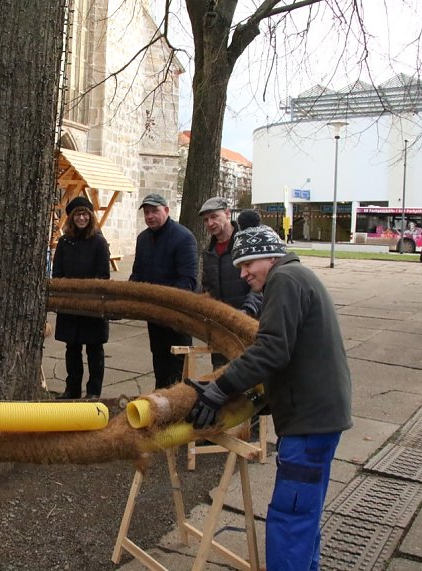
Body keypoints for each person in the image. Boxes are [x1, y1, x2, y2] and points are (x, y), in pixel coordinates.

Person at [185, 225, 352, 571]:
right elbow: (290, 352)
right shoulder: (297, 276)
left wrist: (219, 389)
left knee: (290, 517)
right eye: (239, 267)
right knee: (304, 513)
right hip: (320, 416)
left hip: (308, 423)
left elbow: (273, 349)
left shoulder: (285, 280)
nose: (244, 274)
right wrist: (258, 397)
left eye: (248, 264)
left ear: (271, 256)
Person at [129, 192, 198, 389]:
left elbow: (188, 281)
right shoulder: (143, 239)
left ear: (166, 210)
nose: (150, 216)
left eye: (154, 211)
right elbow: (137, 274)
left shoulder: (184, 237)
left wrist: (165, 303)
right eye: (147, 212)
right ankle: (159, 398)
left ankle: (175, 403)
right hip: (155, 316)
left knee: (177, 367)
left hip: (178, 315)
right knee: (159, 360)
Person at [52, 196, 111, 399]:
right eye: (78, 214)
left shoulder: (99, 242)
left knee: (94, 349)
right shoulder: (64, 242)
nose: (82, 218)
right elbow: (57, 273)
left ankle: (94, 391)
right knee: (72, 348)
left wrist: (88, 295)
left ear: (91, 216)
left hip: (93, 306)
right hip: (70, 306)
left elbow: (104, 276)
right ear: (71, 218)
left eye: (85, 213)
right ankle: (72, 389)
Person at [198, 198, 262, 369]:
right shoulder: (209, 252)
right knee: (220, 376)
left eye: (214, 216)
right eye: (206, 220)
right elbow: (207, 288)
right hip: (221, 329)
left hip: (248, 325)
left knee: (249, 379)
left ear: (227, 213)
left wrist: (248, 311)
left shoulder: (247, 244)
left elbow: (260, 285)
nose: (210, 223)